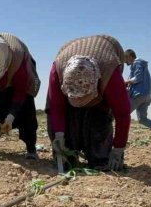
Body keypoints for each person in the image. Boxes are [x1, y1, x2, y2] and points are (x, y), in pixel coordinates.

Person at [46, 35, 131, 171]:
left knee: (99, 136)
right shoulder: (58, 71)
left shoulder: (110, 74)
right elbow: (57, 107)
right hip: (66, 71)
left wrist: (119, 149)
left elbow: (122, 114)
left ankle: (98, 156)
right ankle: (66, 155)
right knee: (66, 141)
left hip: (101, 87)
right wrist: (59, 136)